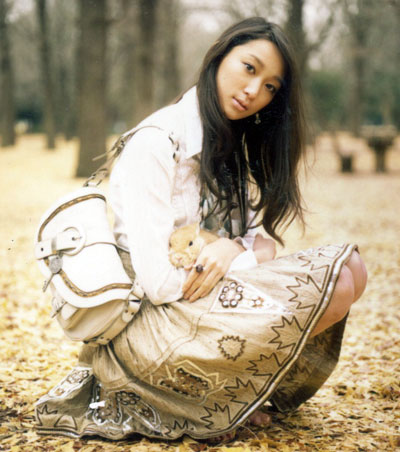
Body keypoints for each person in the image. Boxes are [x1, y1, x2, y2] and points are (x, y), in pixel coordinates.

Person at [35, 17, 367, 443]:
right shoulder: (157, 143)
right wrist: (239, 256)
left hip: (194, 305)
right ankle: (209, 397)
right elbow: (159, 285)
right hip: (148, 328)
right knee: (338, 283)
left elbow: (257, 241)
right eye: (249, 68)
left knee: (353, 271)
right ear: (219, 56)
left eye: (271, 87)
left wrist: (232, 251)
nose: (254, 91)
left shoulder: (226, 147)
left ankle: (235, 393)